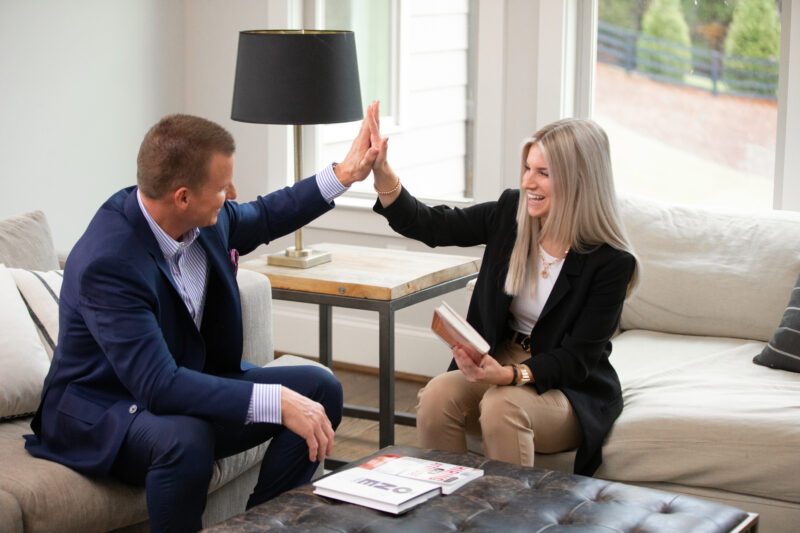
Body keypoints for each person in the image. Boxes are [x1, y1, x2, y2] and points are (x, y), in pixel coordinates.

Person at [24, 112, 379, 532]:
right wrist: (277, 402)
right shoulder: (110, 261)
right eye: (221, 186)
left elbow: (266, 214)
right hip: (105, 409)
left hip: (179, 387)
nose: (232, 194)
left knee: (320, 390)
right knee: (186, 438)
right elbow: (159, 385)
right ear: (182, 197)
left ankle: (260, 527)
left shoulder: (205, 219)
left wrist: (343, 174)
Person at [366, 103, 638, 476]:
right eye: (528, 168)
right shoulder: (513, 212)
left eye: (544, 173)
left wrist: (511, 376)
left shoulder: (611, 263)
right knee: (437, 396)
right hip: (501, 358)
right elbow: (434, 225)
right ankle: (445, 513)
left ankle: (506, 520)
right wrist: (383, 174)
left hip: (567, 388)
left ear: (579, 182)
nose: (529, 182)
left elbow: (577, 360)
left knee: (502, 405)